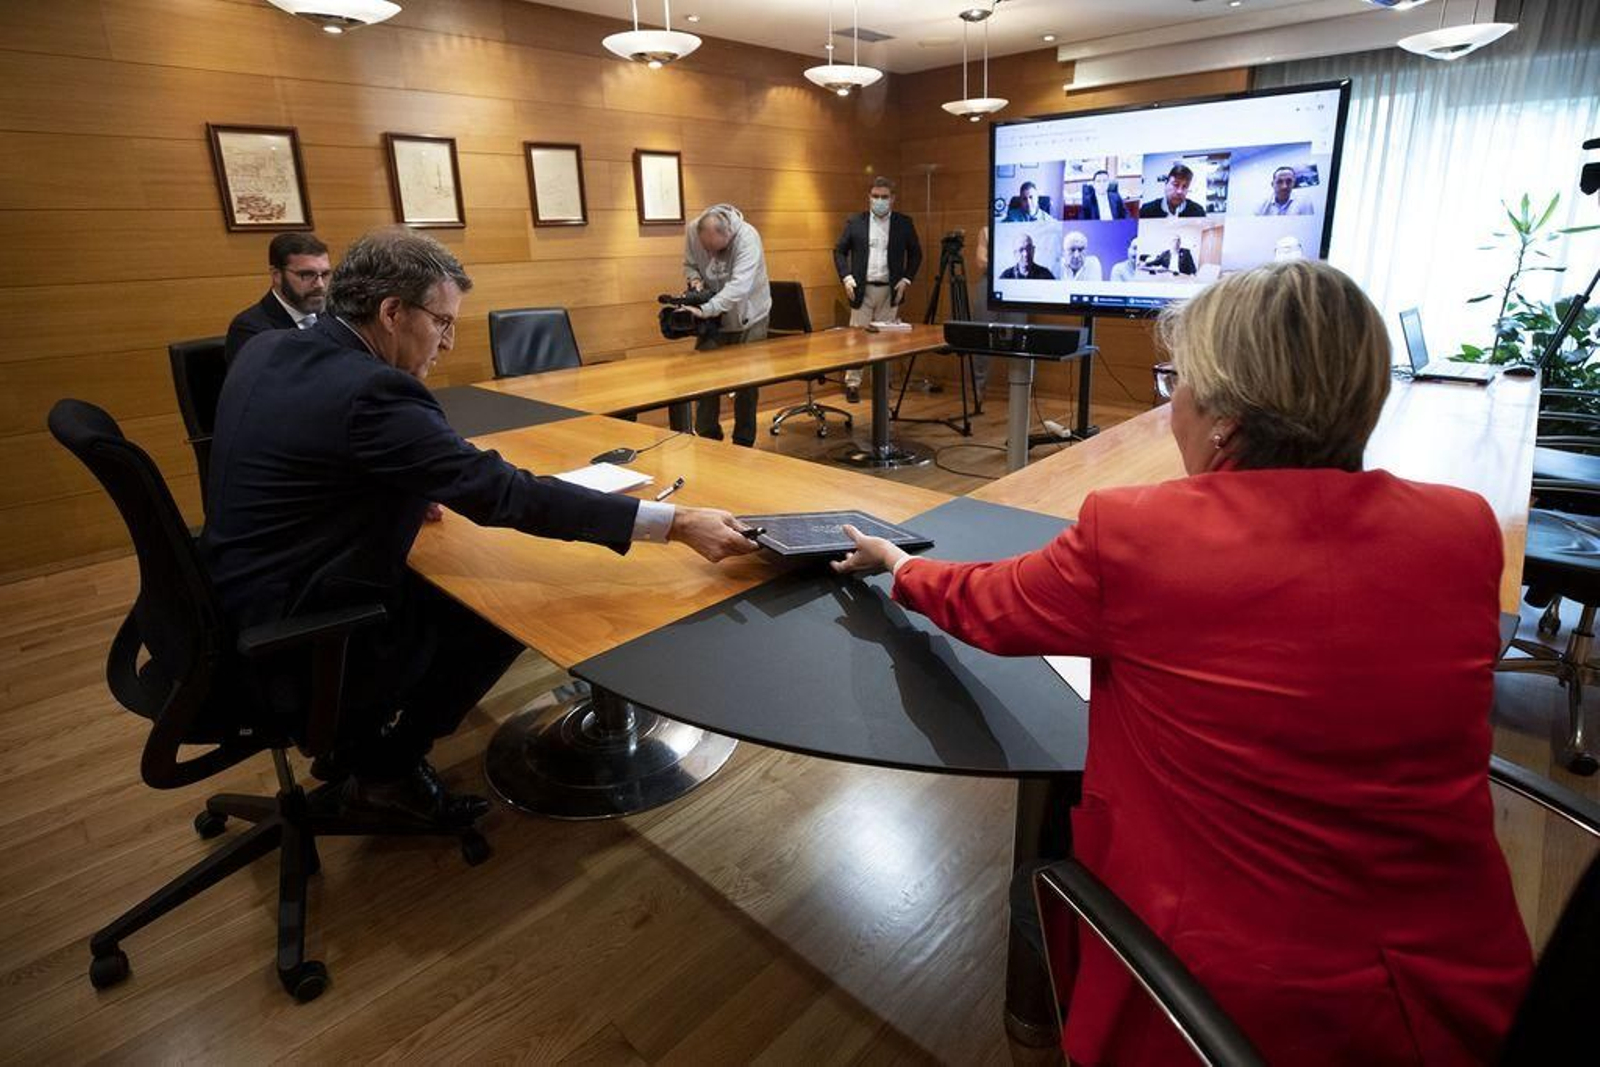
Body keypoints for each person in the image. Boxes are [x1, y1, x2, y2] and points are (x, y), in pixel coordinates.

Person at [830, 259, 1533, 1066]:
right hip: (1464, 997)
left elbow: (990, 605)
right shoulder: (1465, 529)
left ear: (1226, 417)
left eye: (1178, 382)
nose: (1172, 408)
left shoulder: (1139, 534)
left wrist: (899, 563)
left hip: (1224, 1005)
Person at [201, 227, 758, 824]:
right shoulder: (373, 393)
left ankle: (356, 747)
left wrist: (399, 482)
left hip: (232, 598)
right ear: (392, 312)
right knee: (500, 601)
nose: (446, 343)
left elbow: (306, 458)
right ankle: (386, 768)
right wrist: (675, 523)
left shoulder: (271, 347)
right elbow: (506, 496)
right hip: (302, 631)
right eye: (442, 323)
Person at [673, 204, 771, 448]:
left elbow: (739, 287)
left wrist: (706, 309)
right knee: (706, 379)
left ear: (728, 235)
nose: (713, 256)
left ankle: (743, 442)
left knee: (746, 384)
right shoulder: (693, 230)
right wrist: (695, 280)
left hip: (750, 315)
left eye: (718, 250)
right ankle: (707, 440)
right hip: (713, 317)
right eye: (708, 249)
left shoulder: (748, 238)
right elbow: (690, 264)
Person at [834, 176, 923, 402]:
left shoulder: (904, 223)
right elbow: (839, 251)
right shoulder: (856, 222)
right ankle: (852, 384)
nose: (879, 201)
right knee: (857, 339)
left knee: (884, 341)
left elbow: (916, 254)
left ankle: (881, 387)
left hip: (889, 289)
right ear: (869, 197)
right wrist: (846, 277)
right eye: (875, 196)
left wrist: (907, 279)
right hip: (862, 289)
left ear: (893, 199)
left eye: (884, 197)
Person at [224, 232, 331, 364]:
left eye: (325, 274)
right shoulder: (250, 329)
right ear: (277, 275)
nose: (320, 285)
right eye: (307, 275)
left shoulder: (333, 315)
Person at [1139, 163, 1207, 218]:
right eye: (1175, 185)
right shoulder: (1146, 211)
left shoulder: (1198, 212)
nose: (1179, 191)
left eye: (1185, 187)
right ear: (1166, 184)